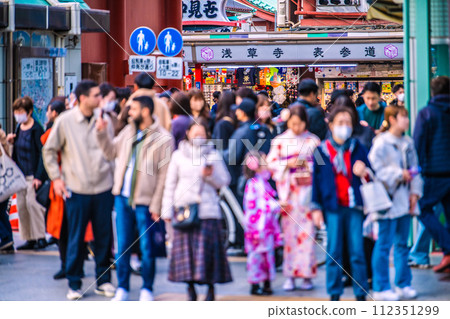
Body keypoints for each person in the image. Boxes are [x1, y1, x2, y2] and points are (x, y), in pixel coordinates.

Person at [43, 80, 116, 300]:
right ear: (83, 98)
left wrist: (103, 133)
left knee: (104, 237)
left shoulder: (105, 120)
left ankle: (103, 281)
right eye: (96, 95)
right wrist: (56, 178)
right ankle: (74, 283)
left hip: (104, 187)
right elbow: (49, 151)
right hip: (76, 188)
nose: (99, 99)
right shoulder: (65, 121)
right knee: (75, 236)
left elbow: (112, 153)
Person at [96, 95, 173, 301]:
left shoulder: (164, 137)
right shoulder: (128, 131)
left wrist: (157, 204)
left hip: (146, 202)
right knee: (123, 245)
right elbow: (110, 152)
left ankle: (147, 288)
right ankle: (123, 287)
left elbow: (164, 176)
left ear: (145, 111)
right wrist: (102, 132)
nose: (129, 112)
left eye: (133, 109)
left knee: (148, 247)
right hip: (122, 197)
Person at [162, 121, 232, 301]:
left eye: (202, 133)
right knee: (187, 255)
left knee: (208, 254)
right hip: (184, 209)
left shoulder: (213, 154)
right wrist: (167, 210)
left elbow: (224, 181)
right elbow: (170, 184)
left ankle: (210, 289)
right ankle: (190, 288)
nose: (199, 136)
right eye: (195, 133)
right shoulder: (178, 156)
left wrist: (211, 175)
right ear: (187, 133)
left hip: (207, 211)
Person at [311, 106, 370, 301]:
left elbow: (370, 174)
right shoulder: (321, 150)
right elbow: (316, 182)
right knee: (333, 252)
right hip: (332, 207)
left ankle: (360, 293)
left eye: (348, 123)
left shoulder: (358, 147)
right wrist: (316, 207)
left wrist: (365, 172)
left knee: (357, 252)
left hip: (354, 207)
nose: (345, 127)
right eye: (340, 123)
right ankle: (334, 294)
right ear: (331, 124)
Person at [369, 106, 423, 301]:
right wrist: (399, 174)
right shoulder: (381, 143)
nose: (407, 121)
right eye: (403, 117)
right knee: (384, 244)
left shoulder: (408, 142)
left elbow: (415, 168)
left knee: (402, 244)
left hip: (405, 198)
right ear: (392, 119)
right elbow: (375, 169)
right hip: (386, 200)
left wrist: (415, 193)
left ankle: (403, 284)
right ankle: (381, 287)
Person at [267, 105, 320, 291]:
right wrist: (287, 163)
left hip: (306, 193)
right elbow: (271, 164)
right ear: (288, 122)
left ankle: (306, 276)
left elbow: (321, 168)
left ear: (305, 122)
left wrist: (307, 164)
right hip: (289, 193)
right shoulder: (280, 141)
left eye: (300, 124)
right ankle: (290, 275)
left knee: (307, 236)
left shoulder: (313, 141)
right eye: (293, 123)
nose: (296, 127)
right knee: (289, 236)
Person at [413, 76, 450, 273]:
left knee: (423, 209)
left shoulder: (426, 113)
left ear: (433, 93)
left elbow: (418, 144)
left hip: (433, 174)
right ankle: (447, 253)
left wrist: (416, 171)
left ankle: (448, 248)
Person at [6, 96, 47, 250]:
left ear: (29, 112)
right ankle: (29, 238)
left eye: (21, 111)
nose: (18, 114)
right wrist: (11, 143)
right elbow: (16, 152)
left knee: (33, 204)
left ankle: (40, 237)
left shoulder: (36, 129)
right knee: (22, 206)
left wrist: (38, 177)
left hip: (33, 175)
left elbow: (42, 153)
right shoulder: (18, 128)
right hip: (21, 175)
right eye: (16, 111)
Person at [243, 151, 282, 296]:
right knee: (257, 256)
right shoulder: (255, 184)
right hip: (258, 228)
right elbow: (261, 205)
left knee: (266, 255)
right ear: (257, 166)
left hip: (265, 227)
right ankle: (255, 284)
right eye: (265, 162)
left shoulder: (261, 182)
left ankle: (266, 284)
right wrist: (278, 205)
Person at [223, 98, 271, 205]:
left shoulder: (241, 132)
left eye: (238, 110)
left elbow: (232, 157)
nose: (236, 112)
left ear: (243, 113)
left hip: (245, 179)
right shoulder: (264, 129)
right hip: (266, 177)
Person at [0, 129, 14, 254]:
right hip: (4, 178)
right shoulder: (2, 133)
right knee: (1, 211)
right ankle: (7, 240)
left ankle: (6, 238)